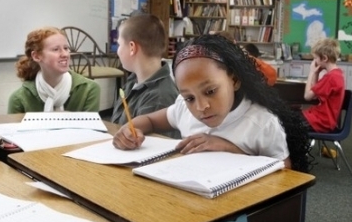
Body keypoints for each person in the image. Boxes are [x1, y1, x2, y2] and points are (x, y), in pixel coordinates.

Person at [113, 35, 311, 173]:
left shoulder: (261, 123)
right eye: (189, 97)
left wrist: (229, 148)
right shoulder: (184, 109)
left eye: (210, 92)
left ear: (234, 80)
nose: (200, 107)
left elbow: (285, 173)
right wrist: (130, 129)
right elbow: (150, 120)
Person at [111, 14, 179, 138]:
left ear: (132, 47)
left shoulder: (159, 97)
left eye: (119, 44)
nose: (118, 51)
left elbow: (148, 150)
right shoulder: (133, 81)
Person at [8, 27, 100, 114]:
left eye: (66, 48)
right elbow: (12, 130)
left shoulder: (89, 89)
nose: (65, 54)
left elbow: (90, 130)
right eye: (56, 49)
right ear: (36, 56)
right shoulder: (19, 98)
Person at [302, 38, 345, 133]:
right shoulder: (337, 74)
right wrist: (316, 73)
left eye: (316, 58)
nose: (315, 61)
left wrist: (311, 72)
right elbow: (315, 95)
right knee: (291, 115)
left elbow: (307, 96)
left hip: (321, 122)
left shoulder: (330, 77)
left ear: (324, 58)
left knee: (286, 121)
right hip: (324, 119)